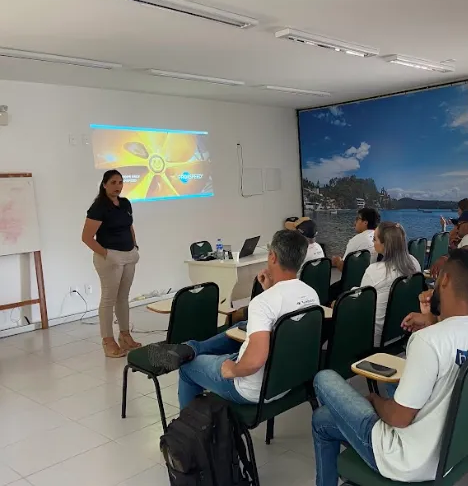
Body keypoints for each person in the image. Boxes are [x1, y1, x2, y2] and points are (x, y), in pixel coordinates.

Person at [311, 249, 468, 485]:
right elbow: (451, 341)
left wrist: (374, 401)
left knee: (324, 378)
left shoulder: (427, 342)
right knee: (322, 418)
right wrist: (432, 320)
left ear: (445, 280)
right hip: (452, 452)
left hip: (406, 459)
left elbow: (399, 418)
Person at [149, 230, 319, 409]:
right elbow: (282, 316)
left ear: (272, 256)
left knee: (187, 368)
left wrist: (233, 370)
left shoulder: (263, 303)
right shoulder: (311, 294)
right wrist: (270, 290)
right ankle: (191, 348)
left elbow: (254, 361)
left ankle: (189, 425)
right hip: (286, 381)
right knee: (244, 326)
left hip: (252, 388)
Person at [81, 170, 141, 358]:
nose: (118, 186)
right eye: (113, 182)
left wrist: (135, 246)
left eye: (120, 182)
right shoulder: (99, 207)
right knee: (109, 298)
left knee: (123, 297)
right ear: (104, 184)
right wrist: (107, 255)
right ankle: (108, 341)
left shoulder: (125, 203)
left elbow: (129, 226)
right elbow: (87, 237)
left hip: (128, 255)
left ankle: (125, 335)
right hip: (109, 257)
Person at [358, 222, 420, 346]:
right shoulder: (414, 263)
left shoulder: (374, 271)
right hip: (403, 331)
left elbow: (361, 305)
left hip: (375, 338)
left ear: (385, 244)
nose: (373, 243)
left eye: (375, 239)